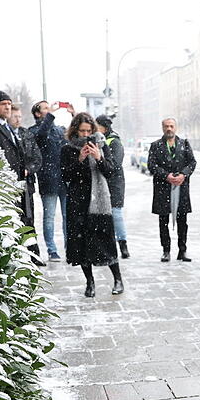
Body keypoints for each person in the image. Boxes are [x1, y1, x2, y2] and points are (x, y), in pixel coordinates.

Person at [61, 113, 124, 297]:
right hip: (77, 202)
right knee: (81, 244)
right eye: (82, 131)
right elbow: (66, 176)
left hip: (99, 203)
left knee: (106, 241)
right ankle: (90, 282)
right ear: (75, 130)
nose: (86, 135)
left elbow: (111, 171)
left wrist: (99, 158)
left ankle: (117, 279)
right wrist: (79, 160)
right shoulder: (67, 149)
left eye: (89, 131)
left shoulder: (102, 145)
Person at [0, 90, 44, 264]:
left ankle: (29, 255)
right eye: (3, 103)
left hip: (19, 184)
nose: (7, 106)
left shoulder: (7, 126)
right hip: (4, 186)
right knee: (13, 223)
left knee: (26, 220)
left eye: (9, 103)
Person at [29, 100, 73, 262]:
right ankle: (52, 250)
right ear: (37, 114)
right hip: (48, 180)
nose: (49, 111)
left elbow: (74, 137)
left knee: (68, 216)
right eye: (45, 109)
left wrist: (74, 115)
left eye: (49, 108)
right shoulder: (33, 131)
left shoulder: (59, 130)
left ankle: (70, 248)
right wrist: (51, 116)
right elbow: (40, 135)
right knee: (49, 217)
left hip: (64, 179)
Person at [148, 117, 197, 262]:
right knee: (163, 221)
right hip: (163, 188)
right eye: (166, 126)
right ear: (162, 128)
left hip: (181, 187)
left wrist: (184, 174)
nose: (169, 129)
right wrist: (166, 175)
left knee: (183, 221)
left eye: (171, 126)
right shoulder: (156, 146)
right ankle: (166, 250)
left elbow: (192, 162)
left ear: (176, 127)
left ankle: (182, 250)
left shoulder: (184, 144)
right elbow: (152, 165)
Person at [96, 115, 129, 259]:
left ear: (104, 127)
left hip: (114, 183)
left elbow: (115, 165)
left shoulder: (114, 141)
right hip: (101, 182)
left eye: (97, 126)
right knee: (102, 214)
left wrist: (101, 162)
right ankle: (105, 244)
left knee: (116, 214)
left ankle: (123, 244)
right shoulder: (97, 140)